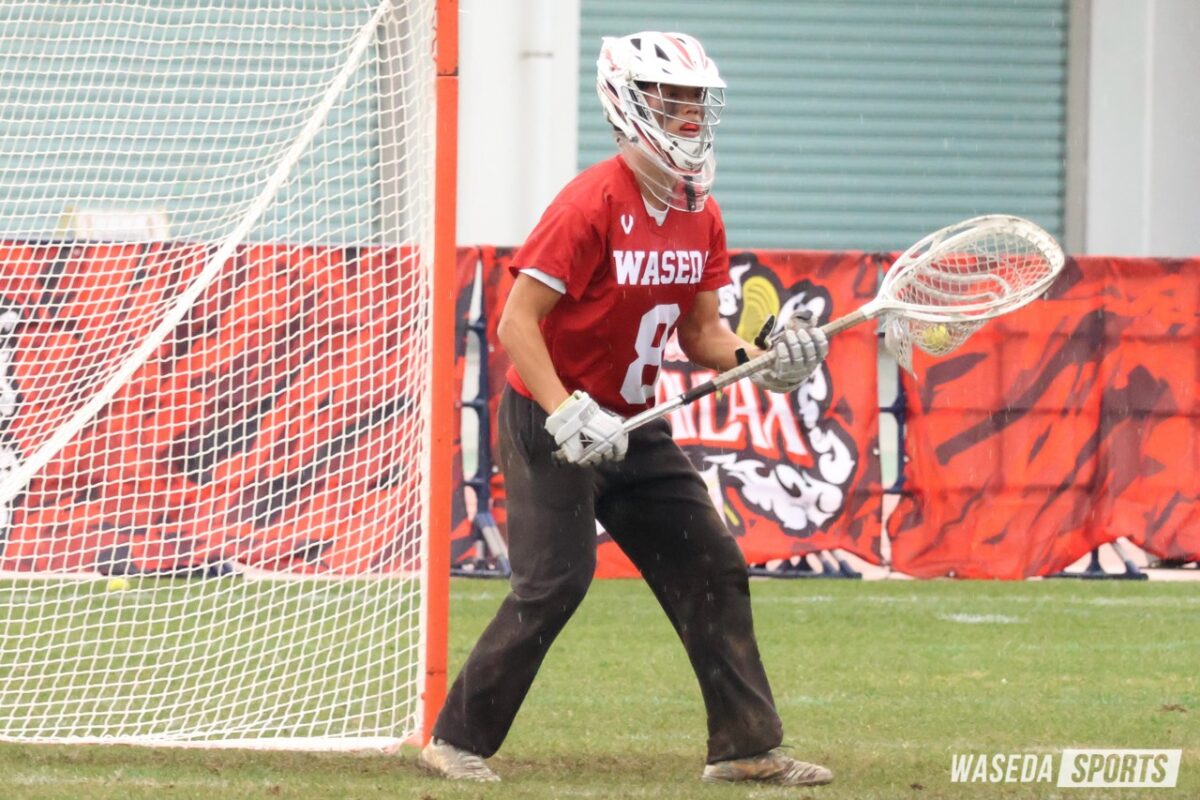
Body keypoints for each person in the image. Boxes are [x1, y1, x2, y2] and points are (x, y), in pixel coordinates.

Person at [419, 31, 833, 788]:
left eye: (697, 100)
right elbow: (516, 323)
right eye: (672, 98)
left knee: (711, 563)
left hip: (634, 425)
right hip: (551, 419)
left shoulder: (701, 213)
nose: (689, 114)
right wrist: (565, 411)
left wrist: (763, 359)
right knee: (556, 582)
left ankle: (743, 749)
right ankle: (454, 740)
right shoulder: (590, 203)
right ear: (628, 103)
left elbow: (703, 334)